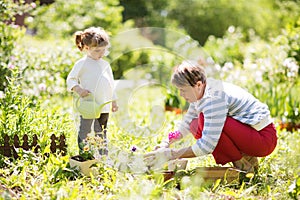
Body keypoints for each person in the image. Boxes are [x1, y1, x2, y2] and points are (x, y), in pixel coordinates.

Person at [145, 61, 277, 172]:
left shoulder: (214, 99)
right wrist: (166, 142)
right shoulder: (201, 93)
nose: (181, 94)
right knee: (195, 124)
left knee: (204, 121)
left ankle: (242, 164)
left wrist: (172, 154)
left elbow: (207, 145)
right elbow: (187, 123)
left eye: (183, 90)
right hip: (251, 134)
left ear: (198, 84)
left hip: (264, 139)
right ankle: (246, 158)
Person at [67, 27, 118, 155]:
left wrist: (114, 101)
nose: (101, 53)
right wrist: (78, 89)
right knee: (85, 130)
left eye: (104, 50)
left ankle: (103, 156)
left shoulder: (105, 64)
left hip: (103, 106)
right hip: (89, 105)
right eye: (97, 50)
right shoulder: (82, 64)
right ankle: (85, 153)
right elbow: (71, 79)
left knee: (101, 131)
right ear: (87, 48)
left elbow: (111, 84)